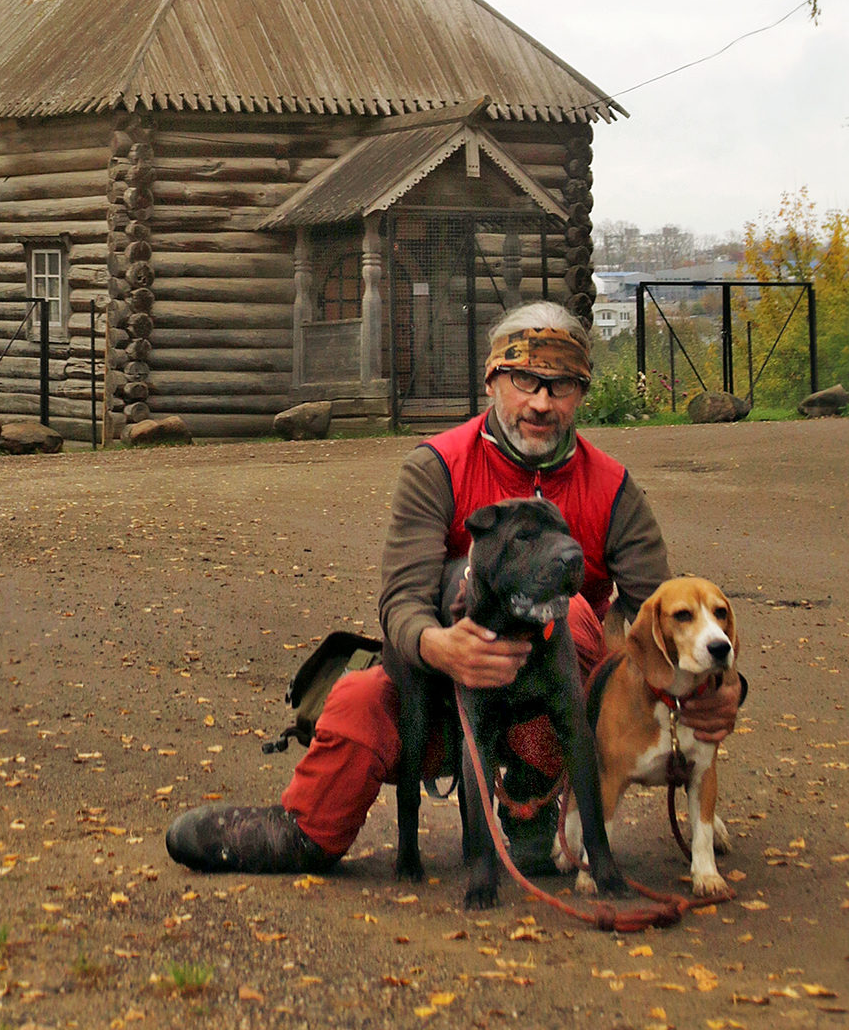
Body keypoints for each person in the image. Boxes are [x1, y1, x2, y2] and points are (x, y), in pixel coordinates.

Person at [165, 300, 742, 874]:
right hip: (446, 693)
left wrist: (718, 687)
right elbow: (403, 600)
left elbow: (664, 615)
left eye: (561, 385)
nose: (541, 403)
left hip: (564, 696)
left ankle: (535, 805)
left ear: (581, 394)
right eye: (524, 380)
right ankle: (307, 828)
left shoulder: (613, 488)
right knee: (359, 702)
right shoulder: (437, 465)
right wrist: (441, 647)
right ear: (493, 380)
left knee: (574, 621)